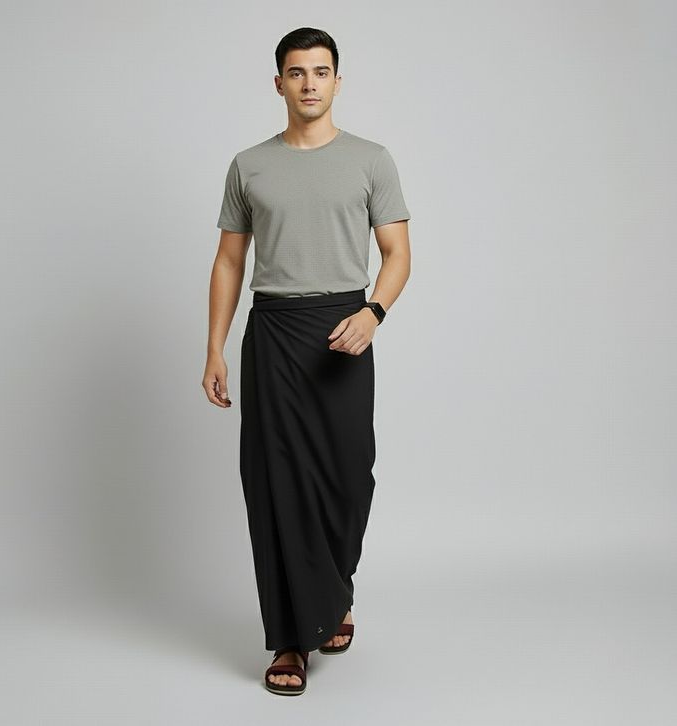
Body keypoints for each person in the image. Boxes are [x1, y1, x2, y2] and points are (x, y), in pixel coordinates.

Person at [202, 27, 411, 696]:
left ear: (337, 82)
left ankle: (333, 591)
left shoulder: (372, 160)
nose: (310, 83)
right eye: (297, 72)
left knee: (350, 479)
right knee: (277, 486)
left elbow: (398, 254)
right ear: (279, 84)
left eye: (321, 72)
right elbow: (230, 260)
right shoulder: (249, 166)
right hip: (274, 333)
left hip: (345, 330)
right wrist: (214, 347)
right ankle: (290, 639)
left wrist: (373, 314)